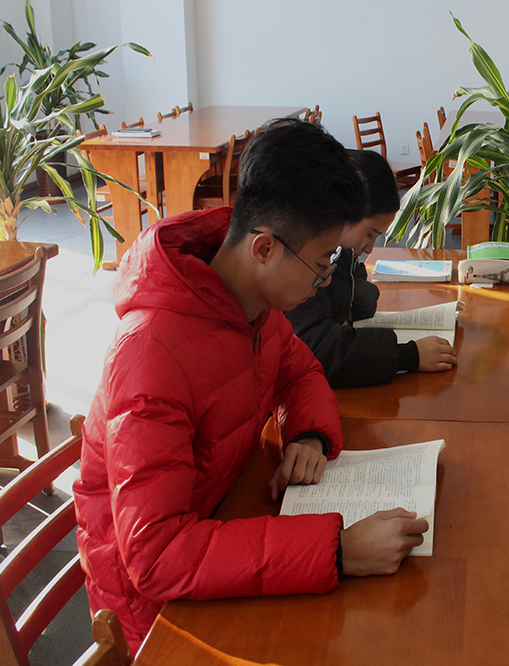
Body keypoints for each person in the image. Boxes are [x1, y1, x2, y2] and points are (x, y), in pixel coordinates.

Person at [74, 119, 429, 652]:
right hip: (158, 613)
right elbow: (156, 556)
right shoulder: (149, 355)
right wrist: (337, 550)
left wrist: (308, 435)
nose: (325, 279)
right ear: (264, 248)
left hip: (225, 521)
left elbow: (301, 371)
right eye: (321, 262)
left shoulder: (250, 304)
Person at [286, 149, 456, 387]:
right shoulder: (304, 262)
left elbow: (352, 300)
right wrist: (409, 355)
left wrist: (353, 308)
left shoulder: (341, 252)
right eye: (369, 234)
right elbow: (321, 350)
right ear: (343, 214)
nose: (370, 248)